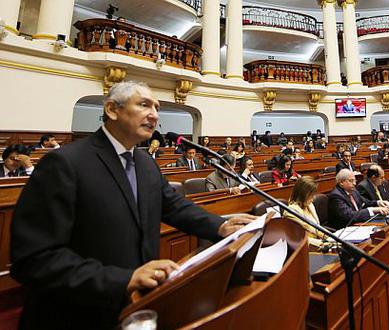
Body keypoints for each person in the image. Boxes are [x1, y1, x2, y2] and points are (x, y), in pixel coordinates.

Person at [9, 81, 255, 329]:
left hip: (136, 308)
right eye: (144, 104)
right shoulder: (64, 163)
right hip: (76, 314)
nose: (155, 115)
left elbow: (173, 207)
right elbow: (34, 259)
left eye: (157, 108)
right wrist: (123, 279)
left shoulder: (144, 162)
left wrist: (221, 226)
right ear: (112, 110)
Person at [284, 176, 326, 247]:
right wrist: (322, 243)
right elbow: (298, 239)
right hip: (306, 248)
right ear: (303, 194)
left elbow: (317, 228)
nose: (313, 199)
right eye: (311, 196)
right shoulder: (291, 212)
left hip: (319, 243)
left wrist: (330, 237)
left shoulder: (310, 205)